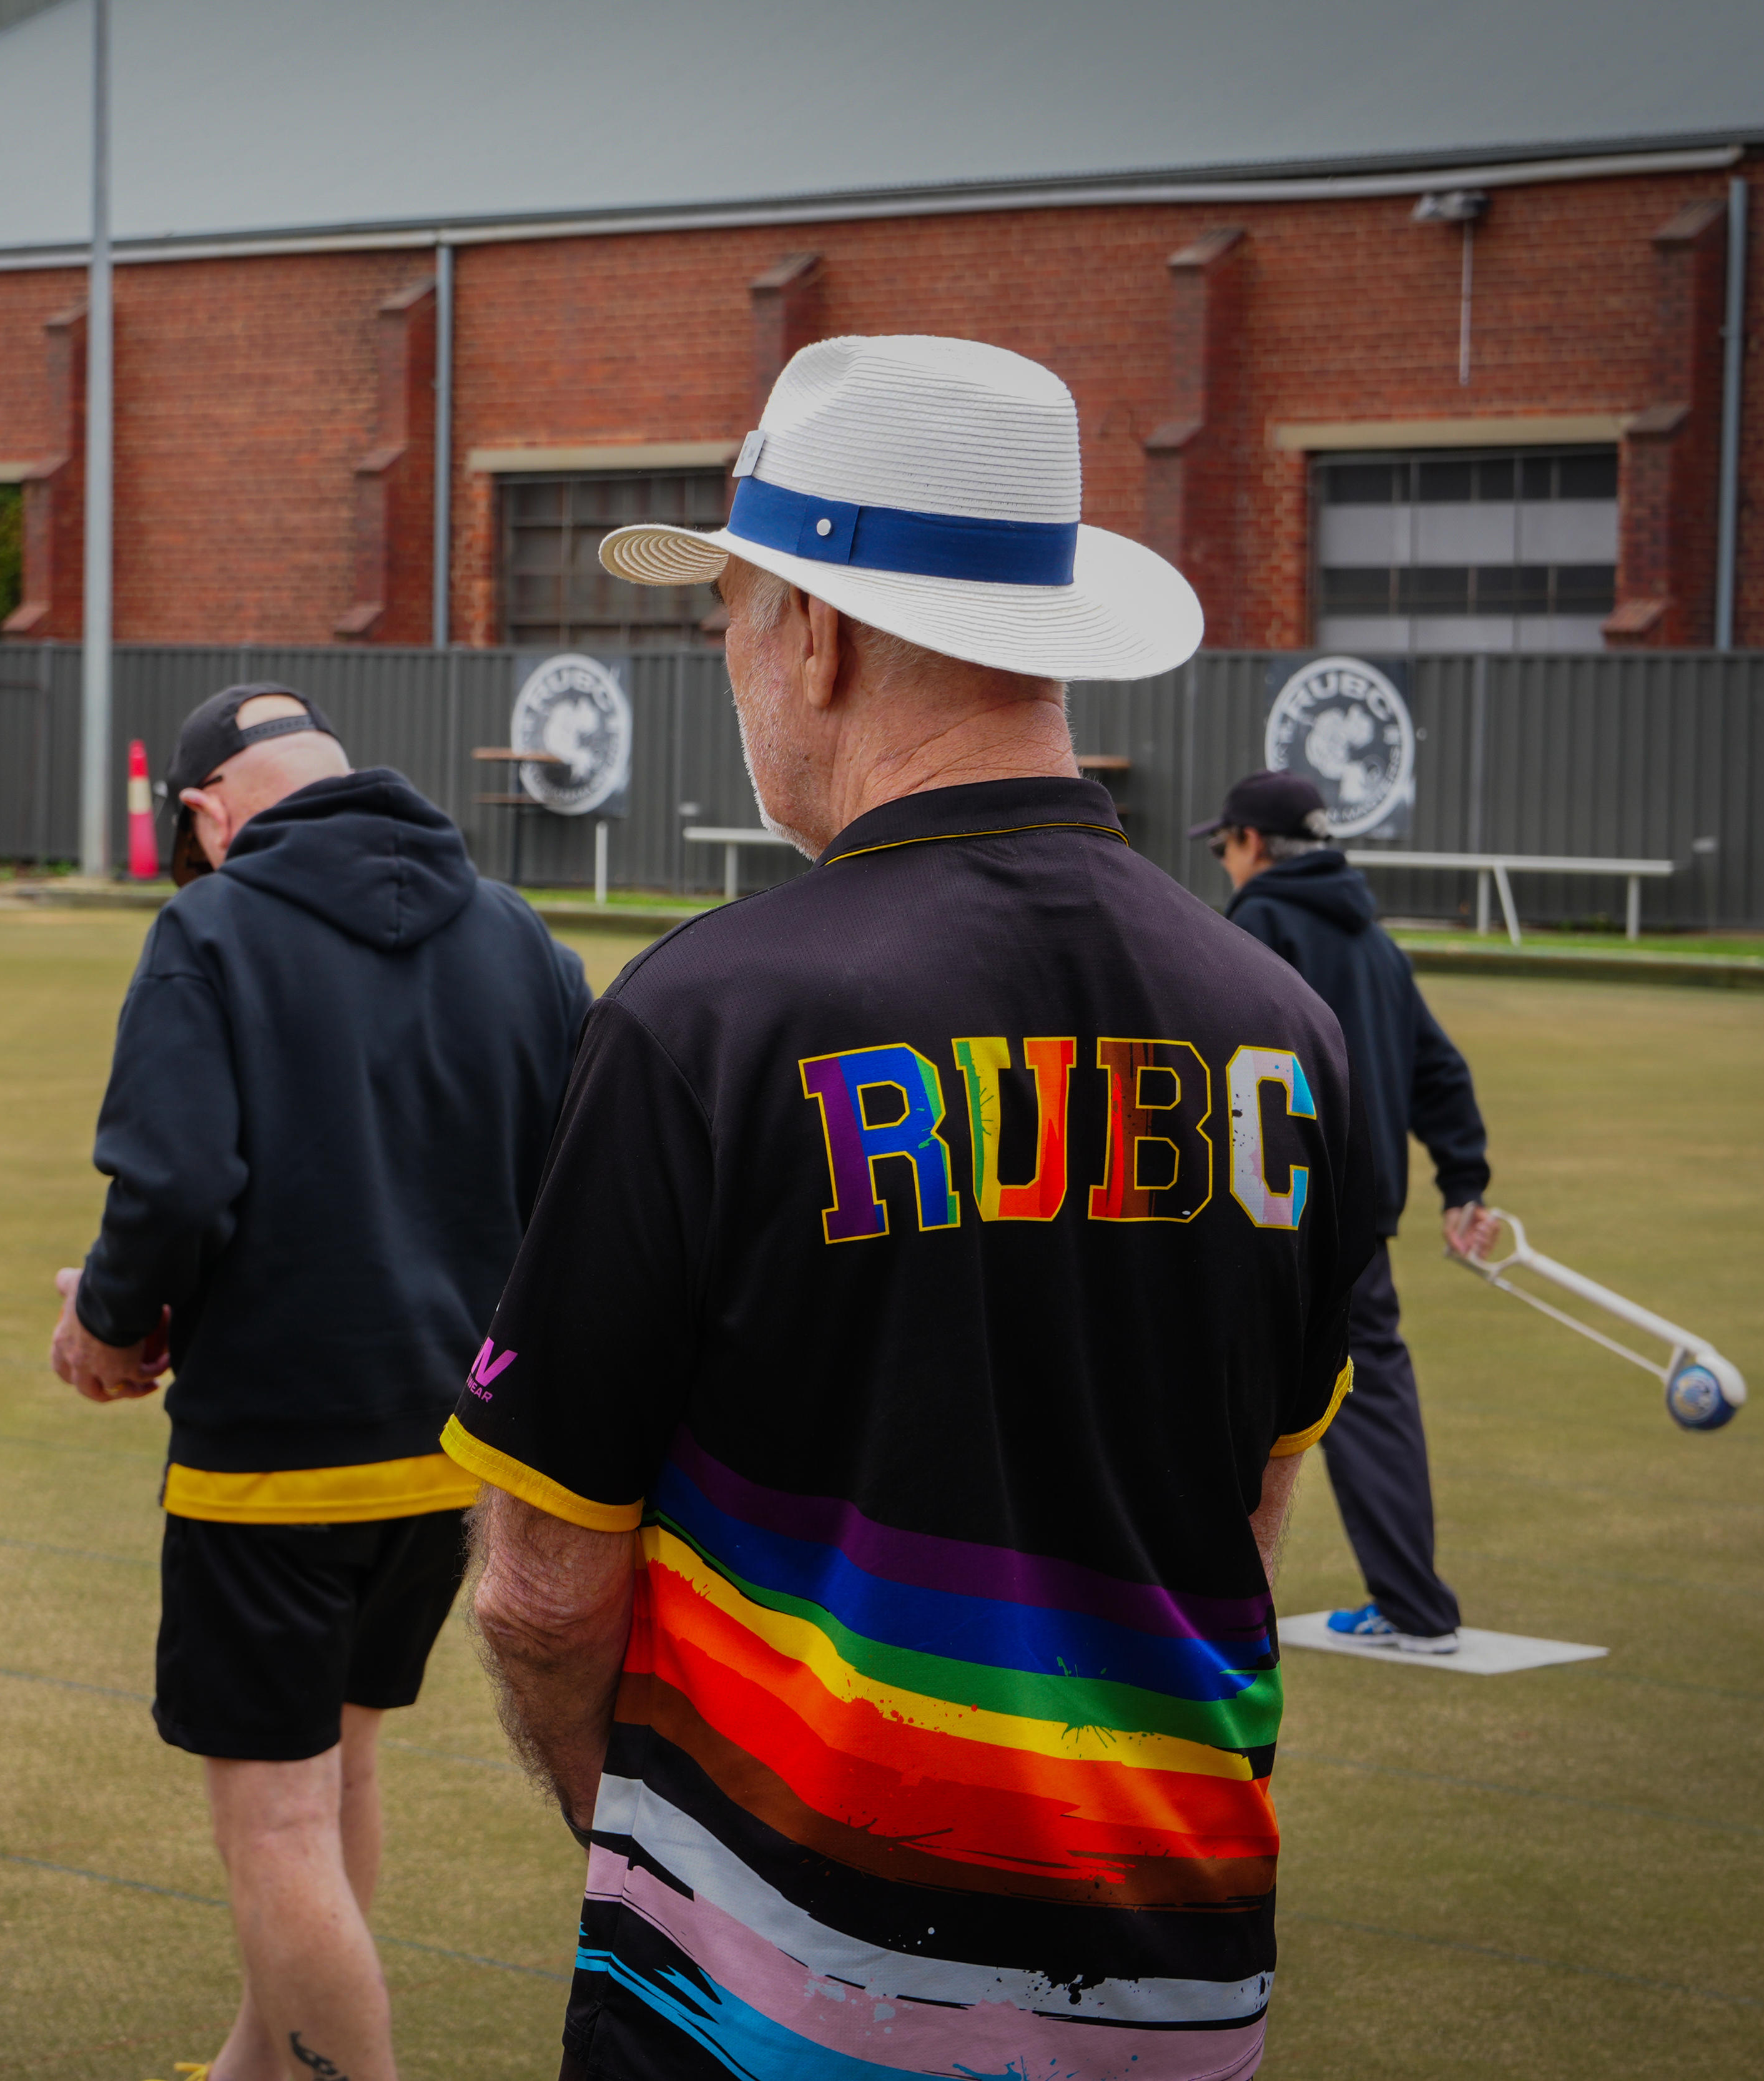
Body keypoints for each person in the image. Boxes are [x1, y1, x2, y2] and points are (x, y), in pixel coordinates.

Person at [446, 337, 1379, 2081]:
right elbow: (1244, 1529)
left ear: (817, 630)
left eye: (731, 610)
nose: (733, 657)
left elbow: (540, 1591)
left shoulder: (704, 1019)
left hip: (777, 2000)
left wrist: (636, 1836)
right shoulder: (1289, 1030)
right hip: (1178, 1997)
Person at [46, 684, 592, 2081]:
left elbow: (173, 1187)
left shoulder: (210, 928)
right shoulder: (517, 932)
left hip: (274, 1459)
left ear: (204, 814)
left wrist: (106, 1323)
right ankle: (259, 2067)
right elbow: (578, 1187)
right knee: (338, 1767)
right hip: (455, 1454)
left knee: (276, 1821)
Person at [1197, 767, 1494, 1653]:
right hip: (1359, 1219)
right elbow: (1440, 1070)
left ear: (1252, 843)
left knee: (1211, 1393)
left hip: (1260, 1212)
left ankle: (1186, 1614)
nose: (1223, 861)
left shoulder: (1255, 926)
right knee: (1375, 1398)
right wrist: (1464, 1184)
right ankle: (1415, 1606)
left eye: (1224, 845)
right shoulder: (1376, 943)